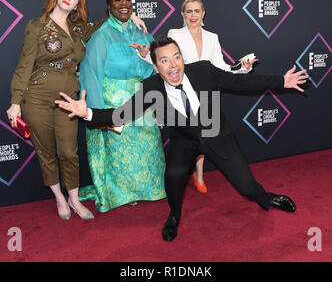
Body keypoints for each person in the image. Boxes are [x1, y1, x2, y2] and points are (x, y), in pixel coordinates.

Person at [55, 36, 308, 241]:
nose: (173, 65)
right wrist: (86, 112)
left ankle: (265, 198)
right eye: (165, 60)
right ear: (155, 67)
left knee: (246, 187)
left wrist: (281, 81)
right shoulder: (151, 87)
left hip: (215, 135)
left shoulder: (204, 72)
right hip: (185, 141)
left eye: (177, 57)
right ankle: (174, 215)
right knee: (173, 177)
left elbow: (241, 84)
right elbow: (120, 115)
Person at [6, 0, 147, 220]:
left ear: (76, 6)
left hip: (69, 100)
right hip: (36, 98)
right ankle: (59, 198)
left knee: (69, 152)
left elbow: (107, 21)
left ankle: (74, 199)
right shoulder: (36, 27)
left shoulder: (79, 30)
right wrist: (15, 101)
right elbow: (23, 67)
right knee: (46, 151)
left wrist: (130, 16)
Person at [132, 0, 255, 193]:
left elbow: (220, 67)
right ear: (182, 14)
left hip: (206, 93)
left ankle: (199, 174)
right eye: (188, 11)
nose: (193, 15)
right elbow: (165, 61)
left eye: (197, 11)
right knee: (189, 136)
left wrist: (242, 69)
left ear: (203, 13)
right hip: (181, 94)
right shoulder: (175, 34)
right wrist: (145, 54)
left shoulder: (212, 37)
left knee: (208, 133)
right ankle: (191, 175)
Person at [77, 0, 166, 212]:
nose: (124, 4)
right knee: (122, 151)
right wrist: (98, 115)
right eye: (118, 0)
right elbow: (91, 75)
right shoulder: (101, 37)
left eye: (127, 0)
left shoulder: (142, 32)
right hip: (114, 102)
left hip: (144, 101)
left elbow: (158, 65)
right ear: (109, 6)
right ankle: (124, 193)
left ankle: (150, 188)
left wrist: (148, 58)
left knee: (149, 145)